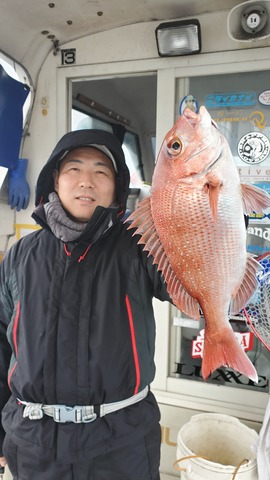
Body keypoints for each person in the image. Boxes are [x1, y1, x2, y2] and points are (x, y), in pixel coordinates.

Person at [0, 129, 172, 480]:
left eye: (101, 172)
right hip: (33, 444)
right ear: (55, 180)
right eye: (74, 169)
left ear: (116, 187)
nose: (86, 182)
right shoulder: (21, 255)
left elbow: (190, 280)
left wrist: (218, 215)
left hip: (122, 445)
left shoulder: (142, 247)